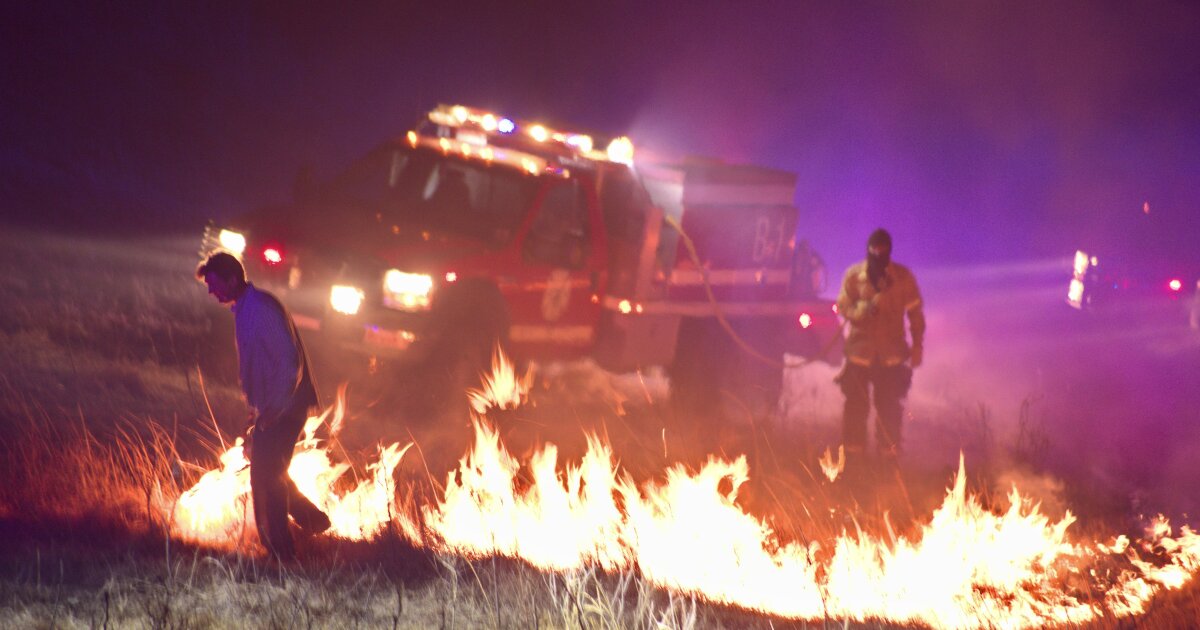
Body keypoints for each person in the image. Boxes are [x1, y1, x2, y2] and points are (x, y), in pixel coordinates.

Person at [196, 251, 330, 560]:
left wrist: (273, 411)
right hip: (272, 408)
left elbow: (287, 362)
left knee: (265, 479)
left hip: (285, 408)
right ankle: (312, 521)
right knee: (270, 470)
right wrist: (255, 412)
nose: (211, 291)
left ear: (232, 279)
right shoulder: (245, 310)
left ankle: (281, 555)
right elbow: (260, 365)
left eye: (215, 284)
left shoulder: (260, 310)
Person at [835, 228, 925, 467]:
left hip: (891, 357)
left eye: (883, 249)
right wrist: (861, 310)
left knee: (889, 410)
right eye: (875, 249)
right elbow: (843, 306)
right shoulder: (854, 276)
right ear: (868, 249)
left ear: (890, 250)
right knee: (855, 407)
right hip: (859, 355)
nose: (878, 253)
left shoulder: (903, 278)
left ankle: (888, 463)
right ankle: (853, 463)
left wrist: (917, 347)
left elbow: (915, 314)